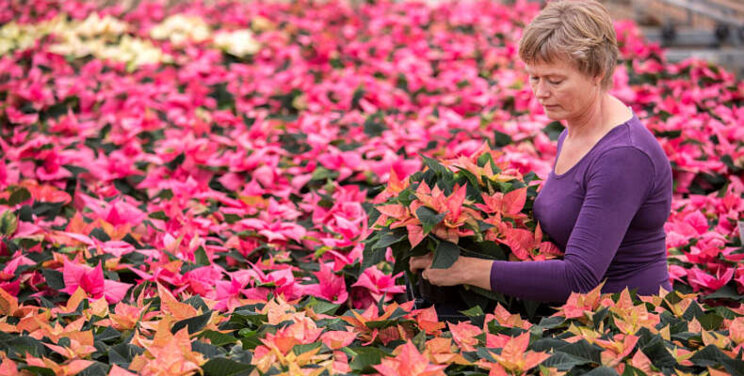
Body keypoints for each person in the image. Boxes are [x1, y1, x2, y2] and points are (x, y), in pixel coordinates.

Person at [410, 0, 673, 303]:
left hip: (622, 320)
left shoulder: (623, 156)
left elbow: (579, 278)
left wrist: (464, 269)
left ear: (597, 73)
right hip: (578, 313)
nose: (540, 92)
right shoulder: (575, 130)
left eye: (555, 80)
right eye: (535, 77)